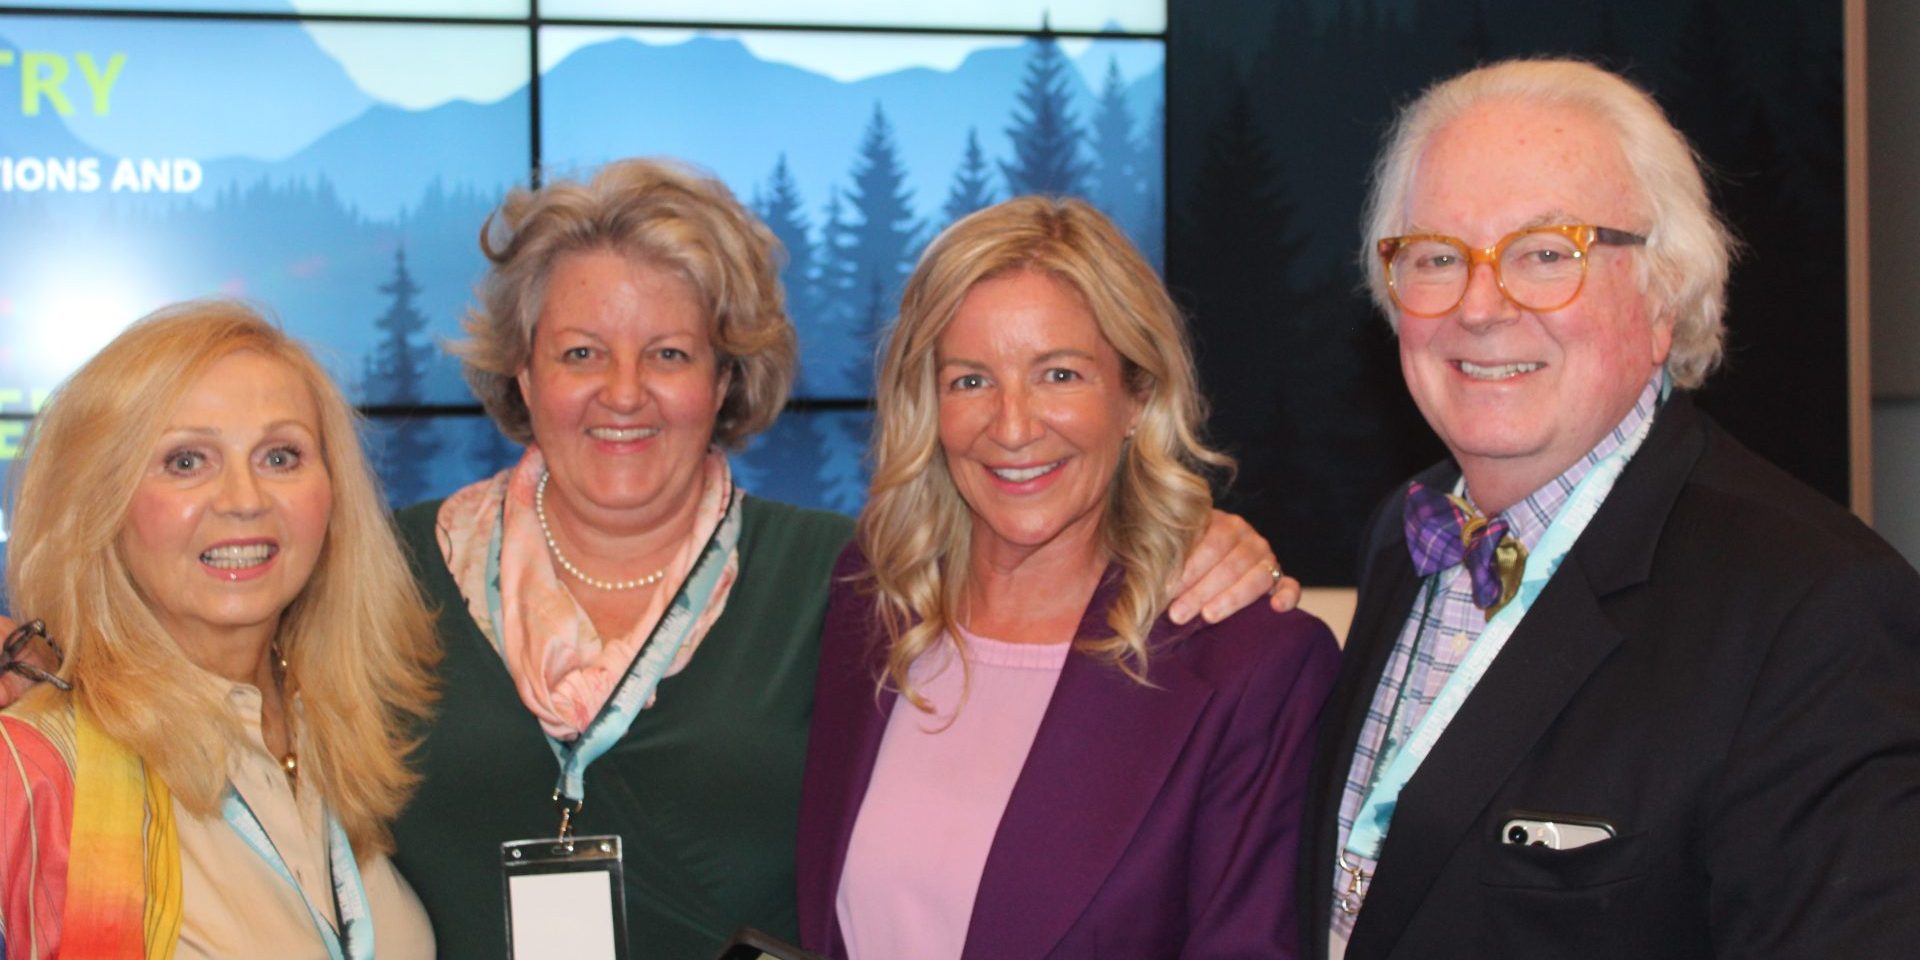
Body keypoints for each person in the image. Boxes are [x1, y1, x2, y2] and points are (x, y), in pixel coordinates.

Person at [387, 158, 1298, 959]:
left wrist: (1200, 539)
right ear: (521, 370)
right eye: (581, 352)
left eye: (669, 353)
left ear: (725, 377)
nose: (624, 393)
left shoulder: (836, 583)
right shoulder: (391, 577)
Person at [1298, 58, 1920, 960]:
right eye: (1437, 257)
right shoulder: (1407, 533)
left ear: (1665, 292)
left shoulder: (1816, 610)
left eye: (1546, 255)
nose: (1480, 305)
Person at [795, 196, 1340, 959]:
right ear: (930, 403)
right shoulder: (874, 600)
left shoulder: (1253, 664)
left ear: (1136, 396)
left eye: (1058, 374)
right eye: (970, 380)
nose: (1013, 427)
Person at [0, 301, 438, 958]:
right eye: (186, 462)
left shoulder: (345, 722)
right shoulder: (36, 764)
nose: (244, 498)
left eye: (281, 456)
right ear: (100, 500)